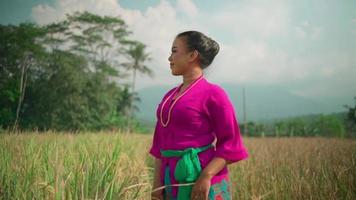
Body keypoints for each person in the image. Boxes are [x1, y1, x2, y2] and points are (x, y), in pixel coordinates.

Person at [149, 30, 249, 200]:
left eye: (174, 51)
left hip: (202, 179)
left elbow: (231, 144)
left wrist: (206, 176)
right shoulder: (169, 96)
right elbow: (160, 145)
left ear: (192, 55)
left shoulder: (214, 94)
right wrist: (157, 184)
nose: (169, 58)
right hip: (170, 179)